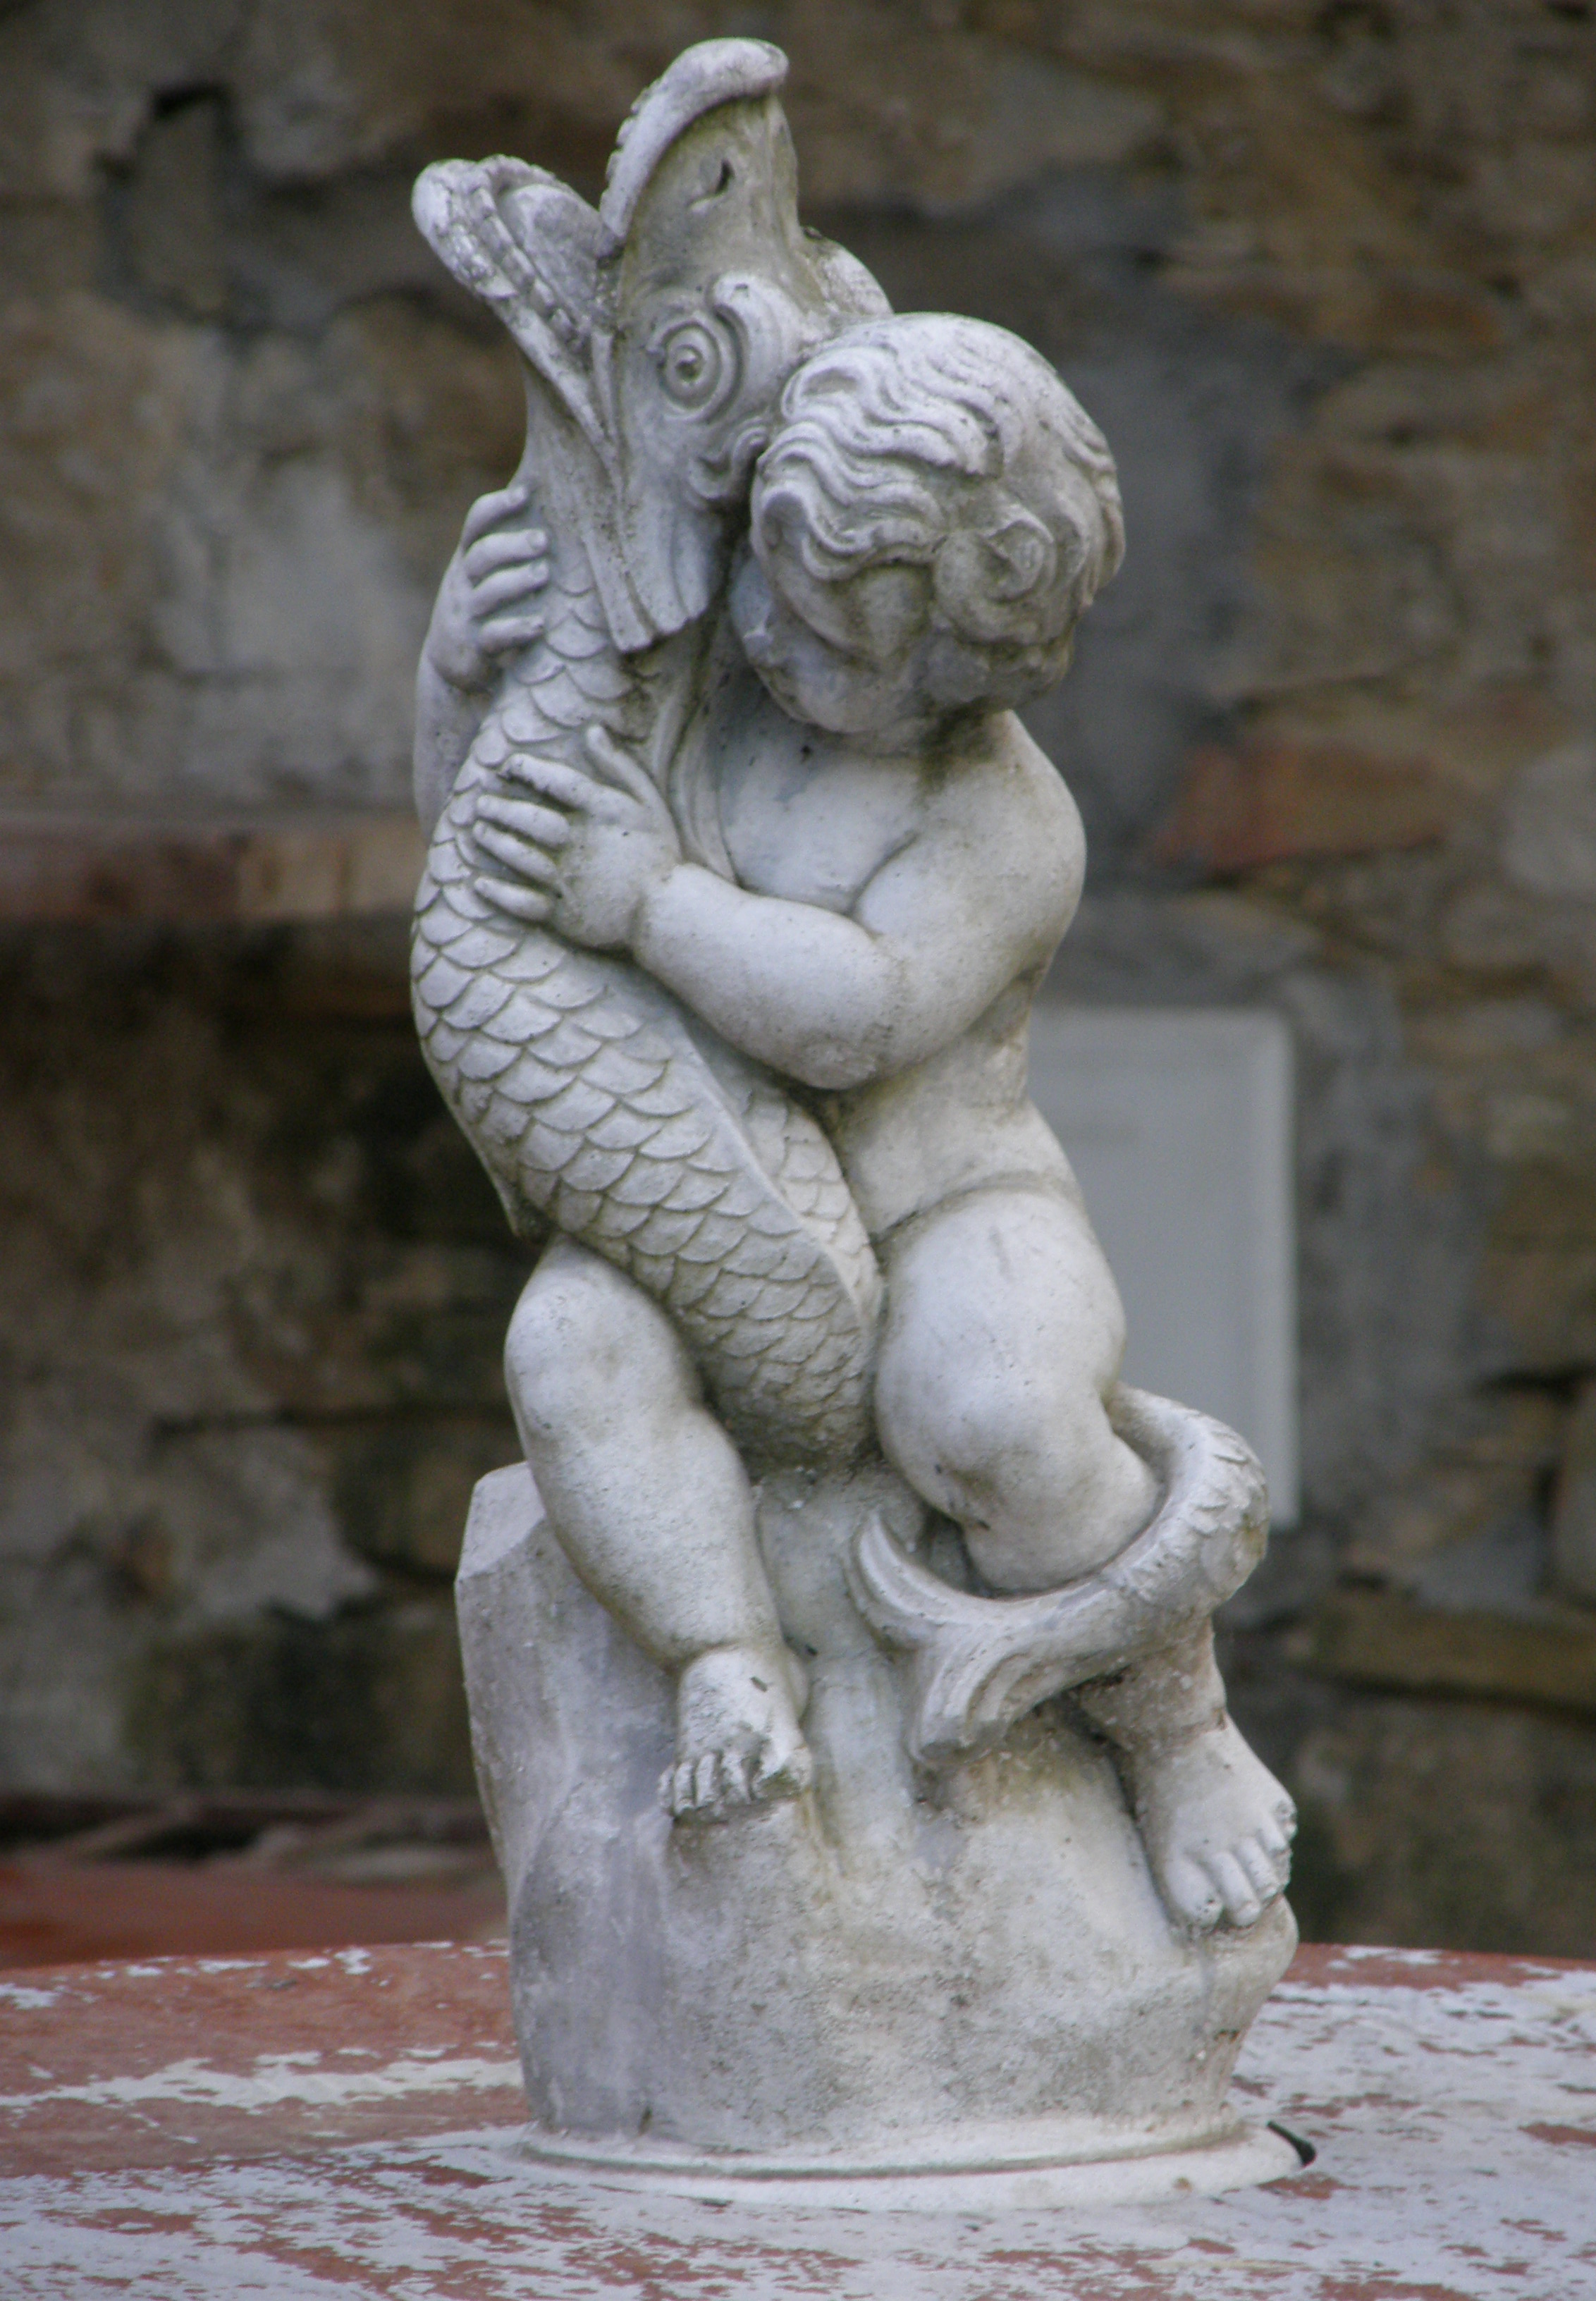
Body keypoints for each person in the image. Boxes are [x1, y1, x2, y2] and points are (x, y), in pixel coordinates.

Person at [421, 315, 1293, 1933]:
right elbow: (488, 860)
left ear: (964, 671)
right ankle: (726, 1662)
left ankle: (1177, 1729)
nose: (763, 633)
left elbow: (859, 1011)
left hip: (948, 1208)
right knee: (573, 1354)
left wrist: (651, 900)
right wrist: (463, 668)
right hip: (707, 1188)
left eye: (828, 641)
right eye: (763, 580)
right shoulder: (713, 683)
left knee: (1001, 1410)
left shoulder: (1001, 820)